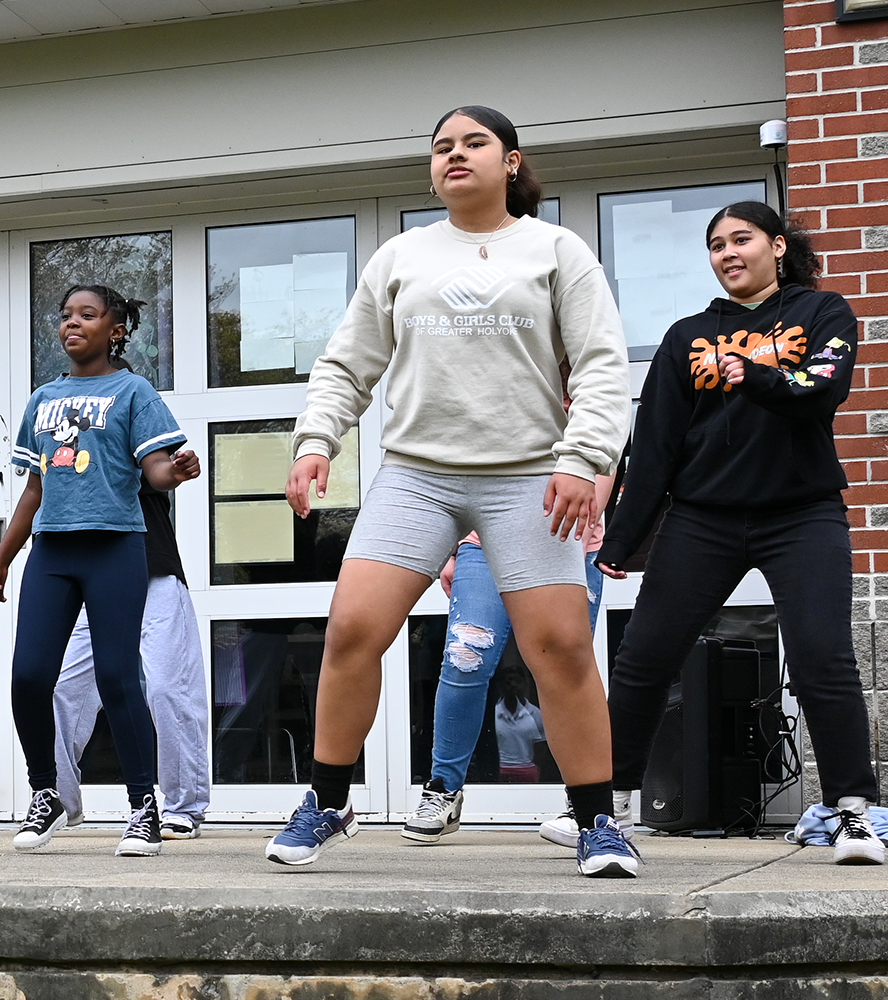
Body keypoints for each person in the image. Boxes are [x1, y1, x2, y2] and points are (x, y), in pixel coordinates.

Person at [263, 106, 638, 877]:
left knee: (560, 647)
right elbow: (347, 364)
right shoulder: (402, 256)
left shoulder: (556, 250)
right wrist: (314, 442)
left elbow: (603, 364)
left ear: (511, 162)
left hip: (532, 474)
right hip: (416, 475)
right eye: (441, 147)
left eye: (473, 143)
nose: (454, 155)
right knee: (351, 630)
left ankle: (597, 819)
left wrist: (583, 458)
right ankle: (329, 801)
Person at [593, 202, 886, 865]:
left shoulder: (823, 312)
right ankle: (604, 809)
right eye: (716, 244)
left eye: (742, 239)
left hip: (802, 513)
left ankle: (853, 816)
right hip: (703, 518)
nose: (728, 252)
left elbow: (823, 386)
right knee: (644, 658)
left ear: (777, 247)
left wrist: (752, 373)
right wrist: (621, 539)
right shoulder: (688, 336)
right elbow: (656, 446)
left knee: (822, 658)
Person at [0, 284, 196, 857]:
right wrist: (3, 560)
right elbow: (32, 489)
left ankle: (143, 806)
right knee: (28, 677)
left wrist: (177, 470)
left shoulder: (134, 391)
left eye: (88, 315)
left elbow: (153, 472)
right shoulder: (43, 399)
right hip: (53, 553)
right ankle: (45, 795)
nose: (72, 324)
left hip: (117, 547)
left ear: (115, 329)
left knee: (118, 677)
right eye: (66, 316)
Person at [405, 494, 611, 844]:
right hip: (484, 542)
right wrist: (453, 551)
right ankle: (443, 790)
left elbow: (601, 462)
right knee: (464, 657)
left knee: (567, 673)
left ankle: (585, 804)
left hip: (568, 539)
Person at [49, 476, 208, 841]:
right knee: (62, 686)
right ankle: (61, 801)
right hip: (96, 579)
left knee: (169, 688)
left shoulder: (135, 432)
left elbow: (162, 471)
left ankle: (184, 808)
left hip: (156, 571)